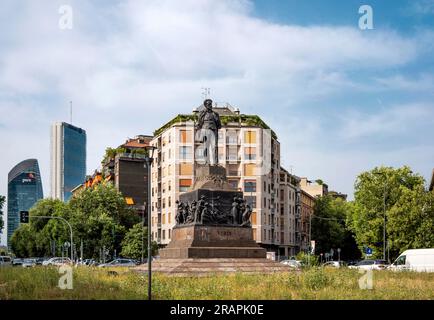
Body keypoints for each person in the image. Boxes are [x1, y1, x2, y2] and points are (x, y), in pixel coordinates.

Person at [196, 99, 221, 165]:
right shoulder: (202, 114)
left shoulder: (215, 114)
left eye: (211, 104)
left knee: (215, 146)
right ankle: (206, 162)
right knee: (205, 147)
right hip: (205, 131)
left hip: (213, 130)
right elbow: (199, 124)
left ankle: (216, 162)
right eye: (209, 104)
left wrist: (217, 119)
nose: (210, 105)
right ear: (206, 105)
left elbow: (219, 125)